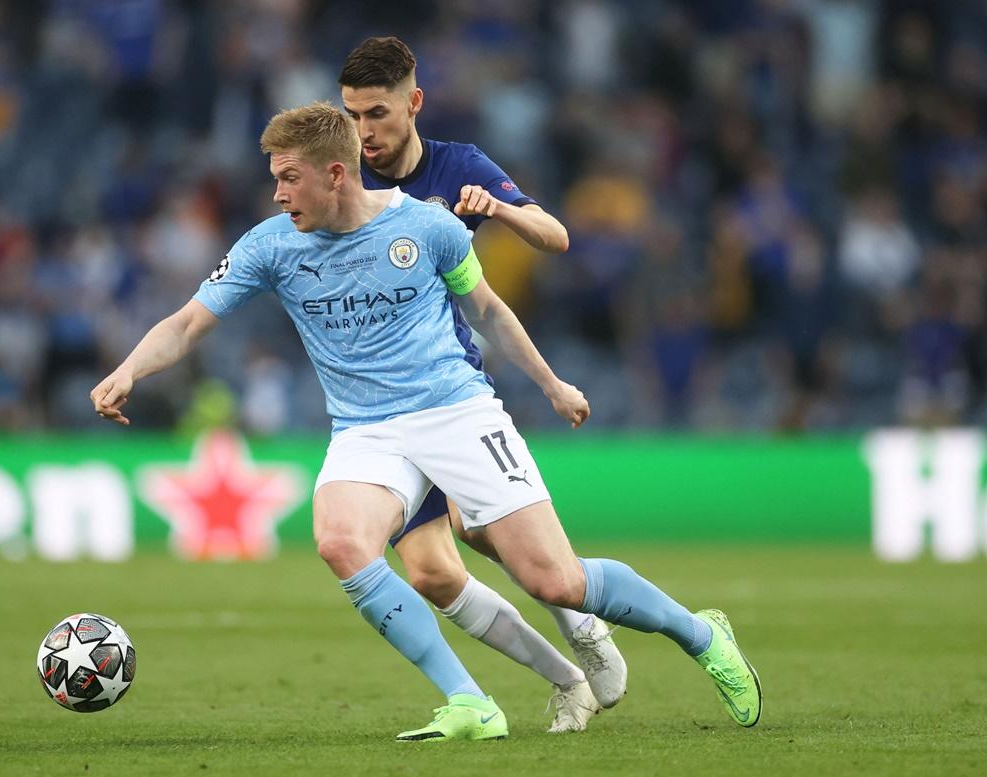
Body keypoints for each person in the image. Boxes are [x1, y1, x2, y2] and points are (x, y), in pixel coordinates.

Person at [91, 102, 762, 740]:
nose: (277, 194)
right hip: (366, 430)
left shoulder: (428, 227)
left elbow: (490, 311)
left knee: (557, 580)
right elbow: (185, 323)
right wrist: (128, 369)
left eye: (288, 178)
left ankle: (701, 634)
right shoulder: (271, 246)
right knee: (343, 542)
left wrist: (553, 384)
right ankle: (471, 701)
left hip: (454, 412)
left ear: (334, 173)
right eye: (274, 180)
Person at [338, 36, 624, 730]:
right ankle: (567, 680)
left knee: (483, 526)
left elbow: (554, 235)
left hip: (446, 392)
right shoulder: (339, 177)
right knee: (431, 575)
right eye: (350, 116)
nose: (362, 132)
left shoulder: (458, 166)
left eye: (376, 113)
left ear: (414, 104)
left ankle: (583, 625)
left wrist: (499, 210)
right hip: (374, 407)